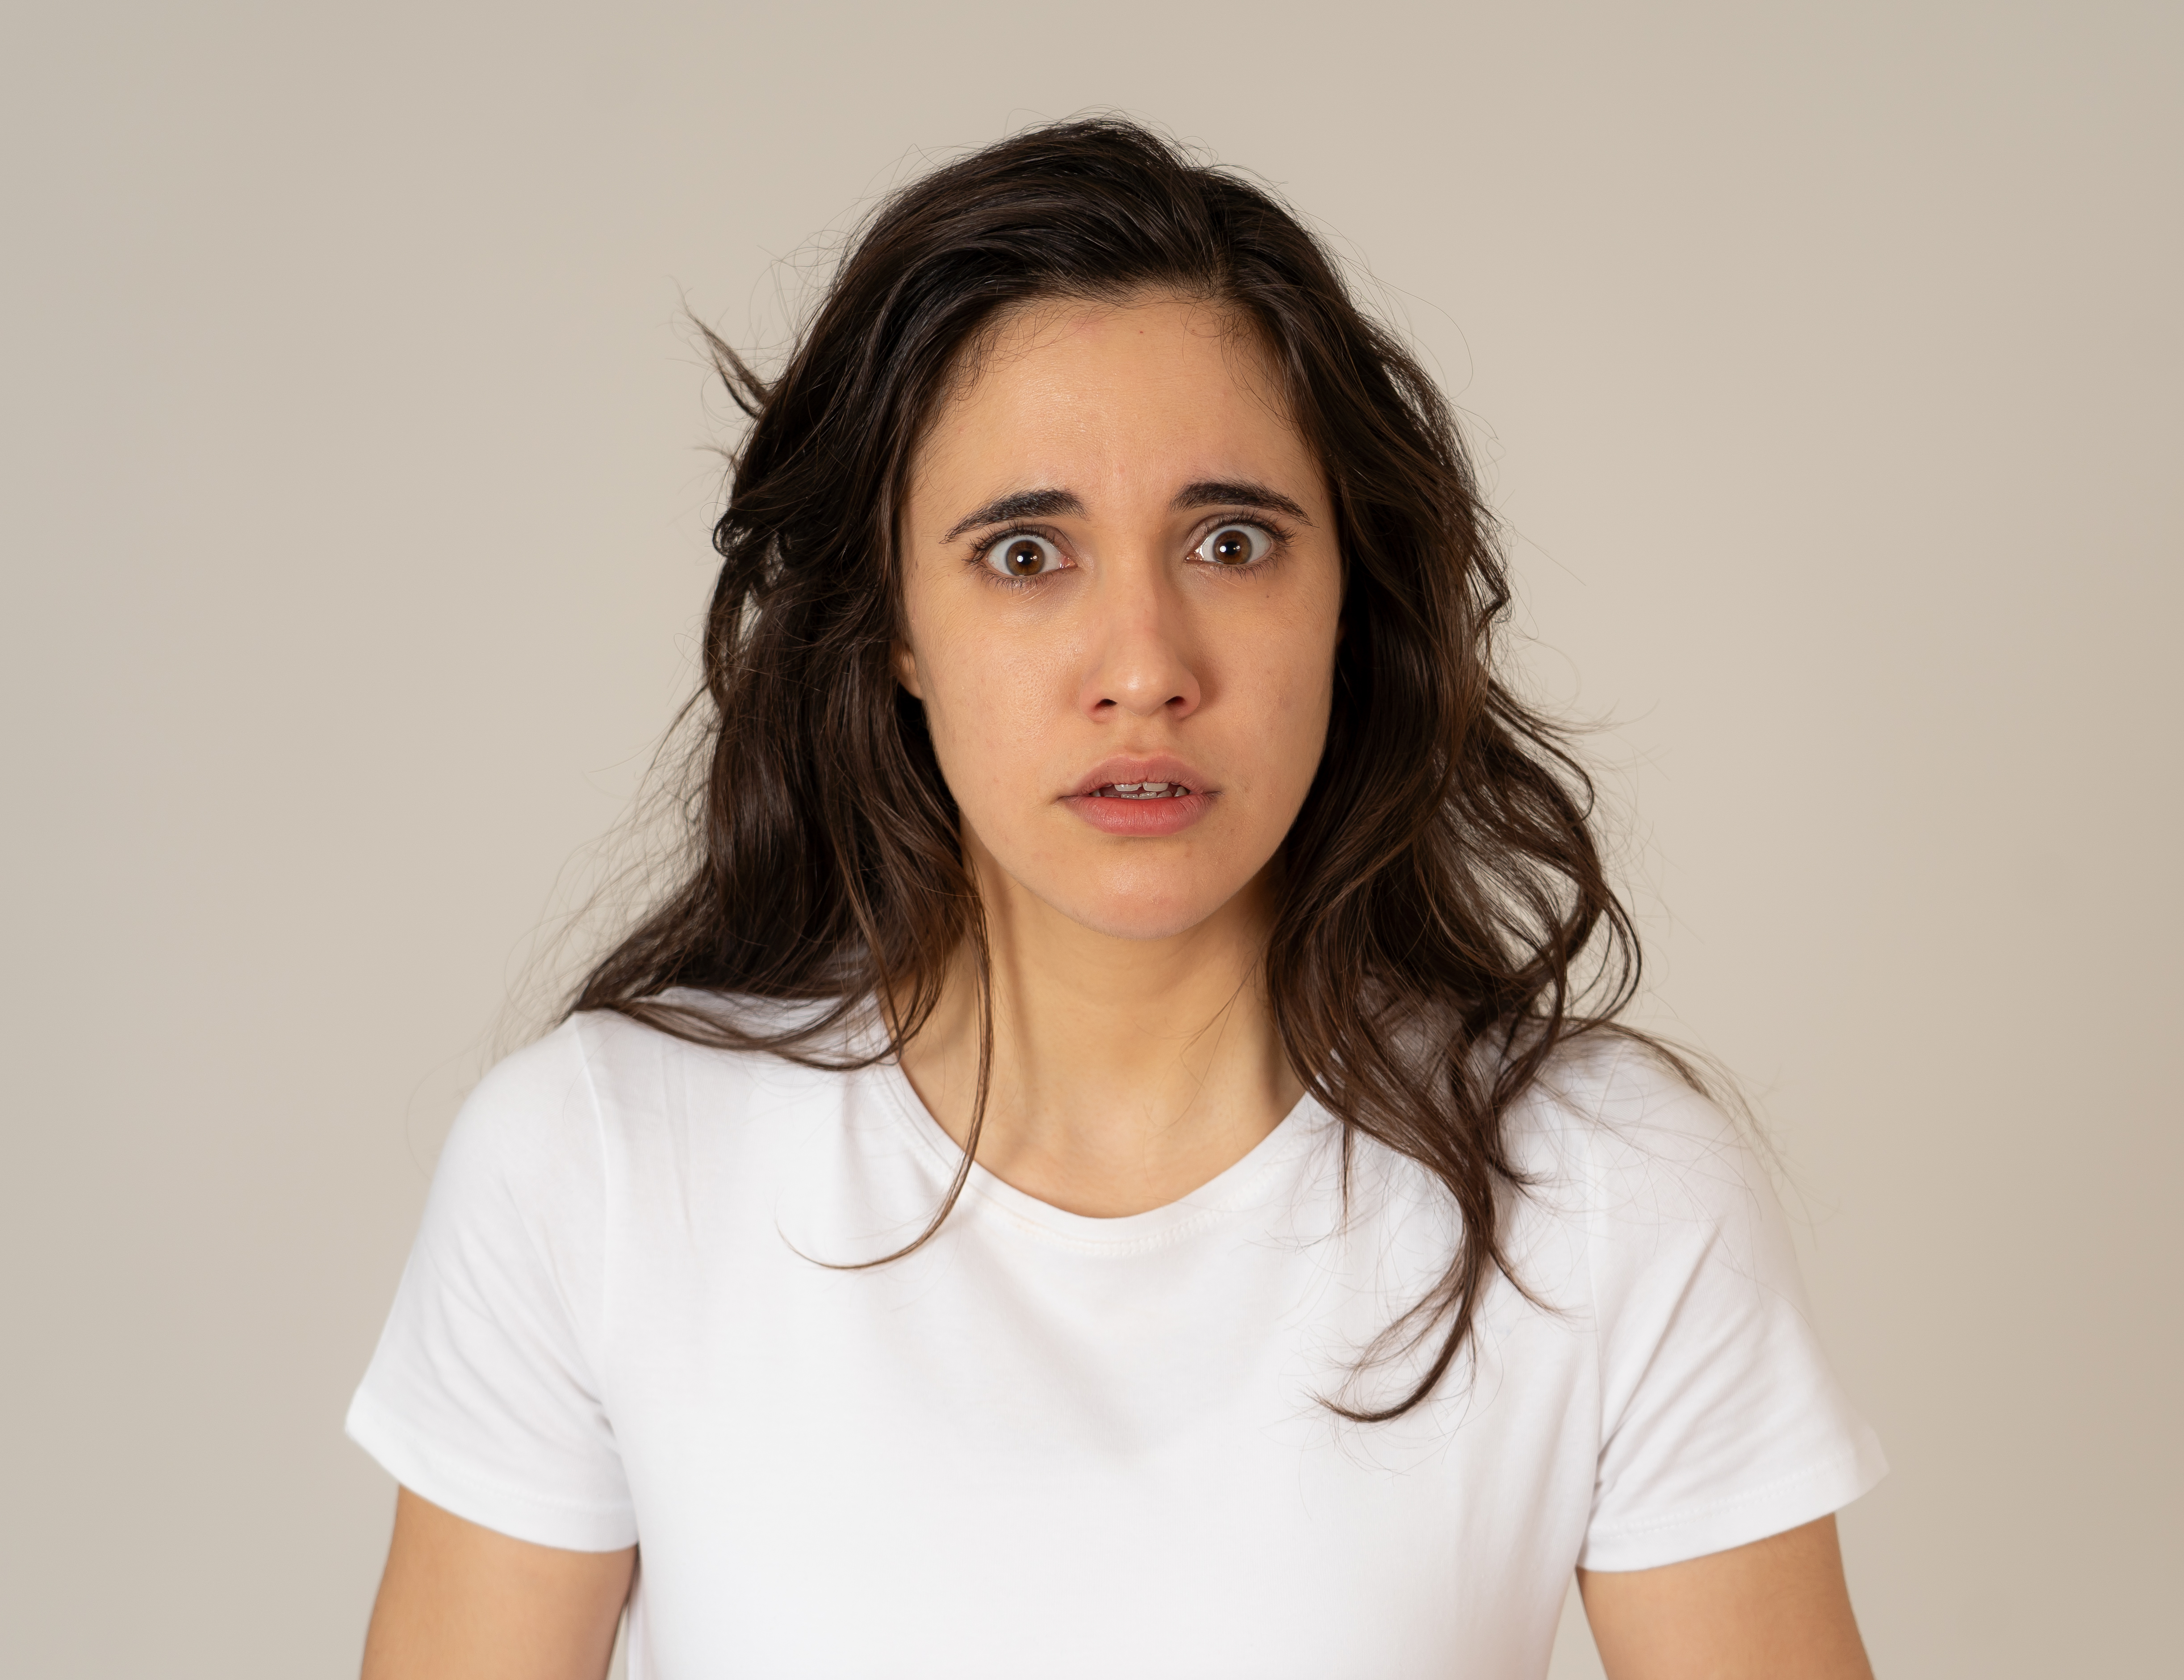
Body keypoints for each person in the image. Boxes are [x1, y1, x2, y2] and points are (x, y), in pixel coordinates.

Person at [349, 117, 1887, 1679]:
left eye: (1231, 542)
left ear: (1346, 597)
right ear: (891, 631)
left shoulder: (1601, 1189)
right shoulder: (600, 1167)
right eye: (1025, 553)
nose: (1146, 664)